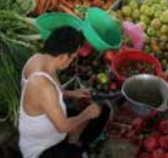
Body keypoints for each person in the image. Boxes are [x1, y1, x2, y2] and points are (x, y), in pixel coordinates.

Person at [18, 27, 108, 158]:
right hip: (41, 149)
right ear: (63, 56)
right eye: (73, 58)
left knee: (101, 112)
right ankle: (72, 147)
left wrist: (72, 93)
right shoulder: (43, 86)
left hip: (49, 128)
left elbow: (49, 95)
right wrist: (87, 114)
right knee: (91, 116)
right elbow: (63, 126)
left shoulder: (39, 59)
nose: (72, 62)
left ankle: (73, 143)